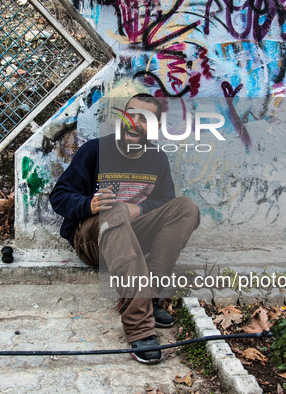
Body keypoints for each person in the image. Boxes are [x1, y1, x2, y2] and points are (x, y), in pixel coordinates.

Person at [49, 94, 200, 364]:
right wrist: (89, 204)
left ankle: (150, 297)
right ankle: (140, 328)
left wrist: (139, 209)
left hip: (132, 239)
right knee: (115, 208)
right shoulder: (95, 150)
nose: (134, 122)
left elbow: (166, 201)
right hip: (93, 240)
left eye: (145, 118)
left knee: (186, 207)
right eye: (131, 114)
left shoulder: (157, 159)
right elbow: (59, 196)